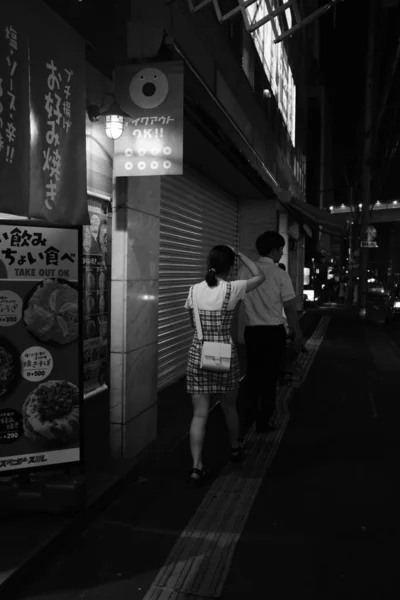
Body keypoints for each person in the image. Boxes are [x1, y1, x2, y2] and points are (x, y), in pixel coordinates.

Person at [185, 245, 265, 488]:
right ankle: (234, 449)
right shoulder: (234, 288)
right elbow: (260, 276)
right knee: (229, 407)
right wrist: (241, 254)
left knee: (199, 414)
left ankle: (197, 466)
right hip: (223, 354)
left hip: (199, 352)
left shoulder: (194, 290)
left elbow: (192, 322)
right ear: (230, 268)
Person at [239, 231, 303, 433]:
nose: (281, 253)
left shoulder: (243, 271)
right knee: (270, 377)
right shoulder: (280, 274)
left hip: (252, 332)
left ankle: (247, 418)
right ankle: (264, 421)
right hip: (274, 333)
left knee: (252, 374)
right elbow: (290, 308)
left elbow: (237, 302)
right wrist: (298, 332)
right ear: (274, 250)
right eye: (281, 249)